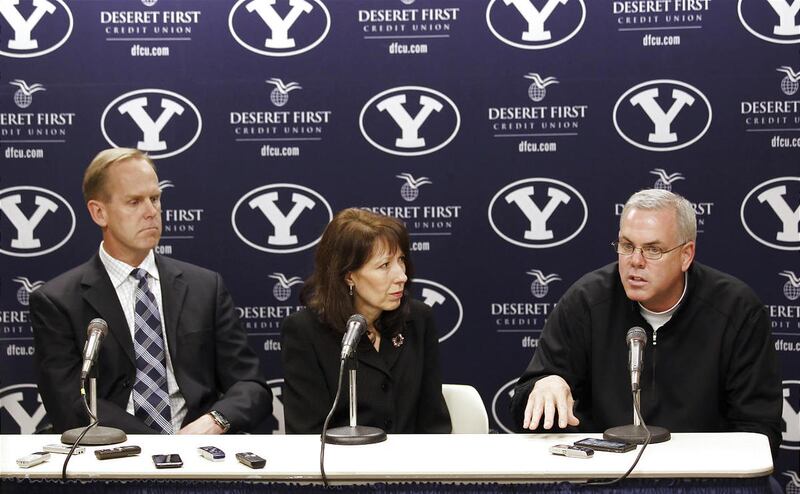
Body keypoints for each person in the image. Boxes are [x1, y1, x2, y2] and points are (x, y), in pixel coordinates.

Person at [510, 189, 782, 455]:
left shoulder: (736, 309)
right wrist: (543, 386)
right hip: (605, 469)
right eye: (627, 246)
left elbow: (759, 428)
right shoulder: (586, 301)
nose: (635, 261)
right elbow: (523, 409)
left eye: (653, 250)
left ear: (686, 255)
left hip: (702, 471)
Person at [31, 148, 272, 435]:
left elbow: (250, 385)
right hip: (114, 450)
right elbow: (68, 401)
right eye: (134, 202)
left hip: (198, 448)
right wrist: (159, 445)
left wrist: (214, 421)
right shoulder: (58, 301)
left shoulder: (205, 287)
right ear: (99, 212)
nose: (151, 212)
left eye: (155, 199)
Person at [280, 208, 451, 434]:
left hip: (412, 456)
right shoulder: (305, 331)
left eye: (401, 260)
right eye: (384, 265)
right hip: (340, 457)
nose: (401, 276)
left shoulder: (418, 319)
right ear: (349, 275)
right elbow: (307, 433)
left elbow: (434, 423)